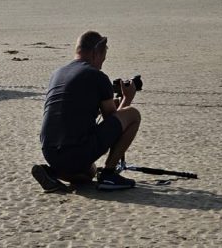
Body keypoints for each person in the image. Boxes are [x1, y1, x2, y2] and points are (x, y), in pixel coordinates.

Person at [31, 31, 142, 193]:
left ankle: (51, 172)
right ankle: (109, 175)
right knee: (132, 114)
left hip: (50, 152)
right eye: (102, 59)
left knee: (89, 172)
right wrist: (127, 98)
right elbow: (114, 126)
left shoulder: (58, 73)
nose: (101, 65)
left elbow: (73, 112)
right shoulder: (97, 76)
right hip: (75, 151)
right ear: (95, 53)